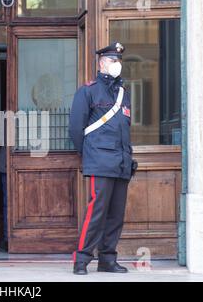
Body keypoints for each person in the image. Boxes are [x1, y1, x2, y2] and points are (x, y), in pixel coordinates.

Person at [69, 42, 137, 275]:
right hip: (99, 160)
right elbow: (76, 129)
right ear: (101, 63)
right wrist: (88, 155)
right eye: (113, 60)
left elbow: (125, 129)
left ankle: (108, 259)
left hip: (121, 163)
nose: (117, 64)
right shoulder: (88, 91)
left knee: (116, 215)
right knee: (96, 213)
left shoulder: (123, 94)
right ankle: (81, 260)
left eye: (119, 61)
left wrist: (128, 158)